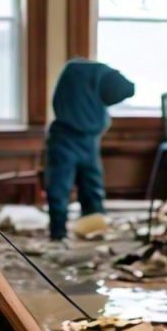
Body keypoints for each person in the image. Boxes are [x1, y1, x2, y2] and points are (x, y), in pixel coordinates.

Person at [45, 58, 135, 241]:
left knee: (92, 188)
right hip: (65, 139)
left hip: (89, 140)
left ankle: (92, 229)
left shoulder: (94, 80)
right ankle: (58, 232)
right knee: (59, 189)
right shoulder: (78, 74)